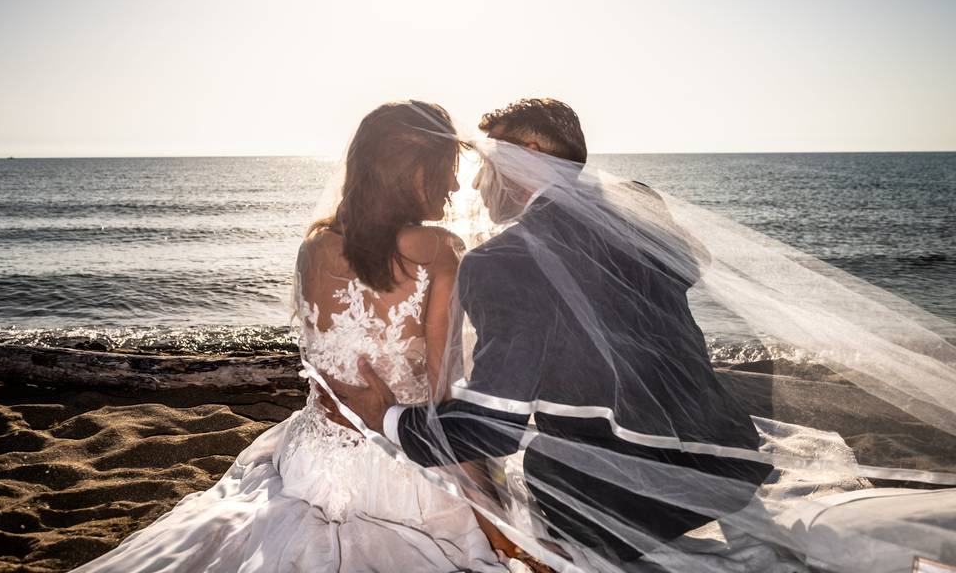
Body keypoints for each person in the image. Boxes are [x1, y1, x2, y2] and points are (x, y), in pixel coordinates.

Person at [322, 98, 775, 571]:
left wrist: (386, 417)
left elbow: (488, 431)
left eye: (487, 165)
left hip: (621, 505)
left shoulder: (500, 262)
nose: (475, 183)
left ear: (529, 154)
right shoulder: (638, 209)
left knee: (533, 461)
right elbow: (692, 263)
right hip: (732, 467)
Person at [71, 101, 523, 573]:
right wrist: (492, 516)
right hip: (400, 478)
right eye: (446, 169)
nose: (453, 185)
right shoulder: (441, 252)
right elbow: (440, 403)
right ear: (412, 172)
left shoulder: (314, 247)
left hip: (314, 461)